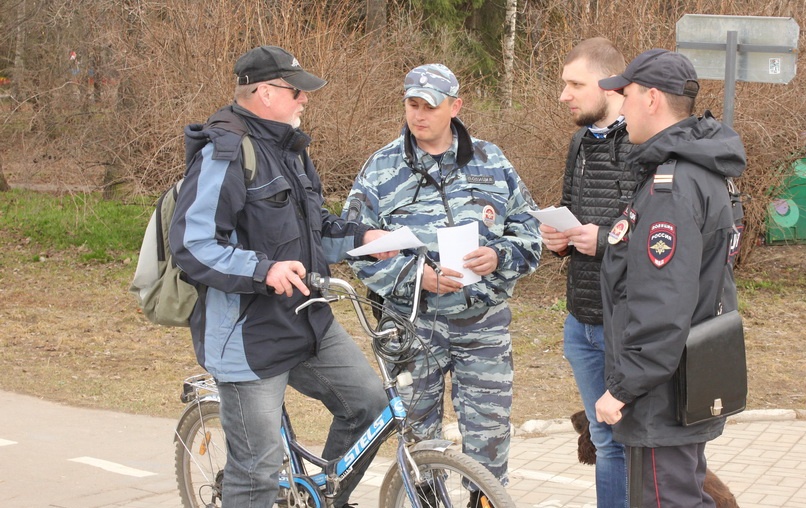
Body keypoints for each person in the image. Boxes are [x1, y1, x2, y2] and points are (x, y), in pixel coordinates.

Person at [169, 45, 396, 508]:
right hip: (248, 337)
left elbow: (315, 231)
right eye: (297, 91)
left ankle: (319, 501)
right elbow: (192, 246)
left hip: (306, 320)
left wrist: (366, 238)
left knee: (370, 405)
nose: (305, 99)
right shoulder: (225, 152)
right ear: (266, 93)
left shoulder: (289, 149)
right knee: (256, 473)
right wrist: (263, 269)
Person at [342, 63, 542, 501]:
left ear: (455, 106)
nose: (419, 115)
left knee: (488, 438)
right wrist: (416, 277)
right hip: (414, 327)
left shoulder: (493, 162)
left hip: (483, 325)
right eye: (412, 105)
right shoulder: (380, 169)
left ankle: (482, 501)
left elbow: (532, 233)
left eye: (429, 106)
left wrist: (499, 255)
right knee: (418, 439)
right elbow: (354, 247)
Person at [595, 49, 746, 507]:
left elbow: (663, 303)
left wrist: (622, 388)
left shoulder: (674, 186)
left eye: (627, 95)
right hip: (681, 380)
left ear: (653, 98)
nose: (621, 108)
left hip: (663, 394)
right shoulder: (697, 171)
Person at [541, 36, 634, 508]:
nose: (564, 95)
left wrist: (605, 239)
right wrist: (557, 240)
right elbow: (572, 212)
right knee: (605, 444)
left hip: (631, 327)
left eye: (574, 84)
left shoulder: (646, 143)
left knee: (645, 447)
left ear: (609, 84)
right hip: (581, 322)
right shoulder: (579, 141)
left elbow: (668, 239)